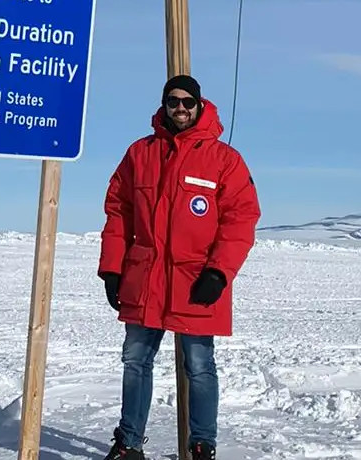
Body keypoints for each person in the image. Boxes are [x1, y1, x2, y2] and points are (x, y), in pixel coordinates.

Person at [97, 74, 261, 460]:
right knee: (136, 360)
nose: (181, 108)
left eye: (188, 102)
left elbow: (241, 218)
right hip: (145, 278)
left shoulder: (224, 159)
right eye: (173, 101)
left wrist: (219, 272)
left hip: (196, 282)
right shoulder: (140, 153)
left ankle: (202, 444)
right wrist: (112, 268)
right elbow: (118, 211)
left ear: (200, 105)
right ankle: (129, 444)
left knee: (200, 365)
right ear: (164, 106)